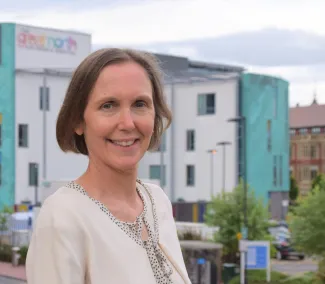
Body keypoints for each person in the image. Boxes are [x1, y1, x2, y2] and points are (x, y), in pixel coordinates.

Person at [26, 48, 191, 284]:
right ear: (78, 121)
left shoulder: (157, 202)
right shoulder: (63, 217)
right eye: (108, 105)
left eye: (140, 104)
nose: (127, 123)